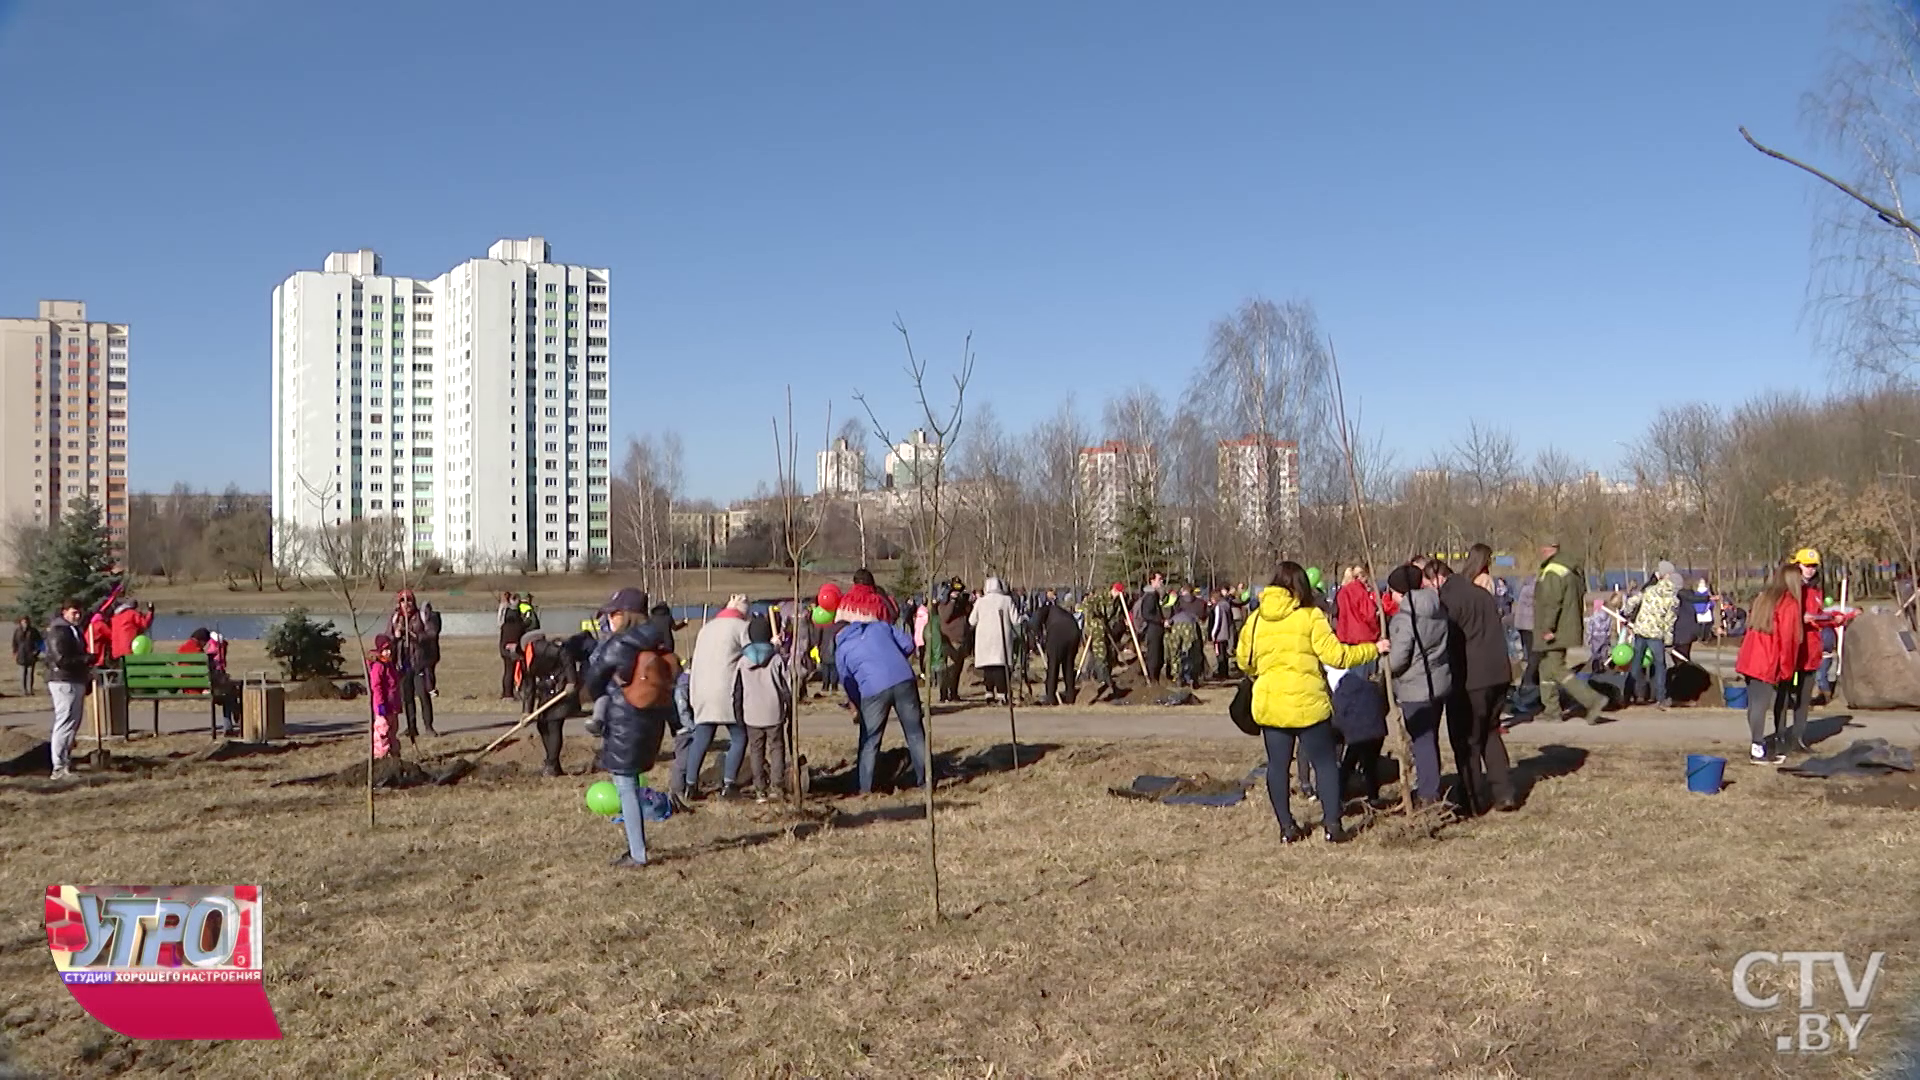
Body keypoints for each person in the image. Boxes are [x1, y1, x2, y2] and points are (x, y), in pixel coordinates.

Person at [1235, 561, 1380, 844]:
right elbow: (1336, 656)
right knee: (1325, 764)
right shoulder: (1311, 616)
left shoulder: (1255, 619)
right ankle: (1333, 826)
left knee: (1278, 766)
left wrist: (1264, 674)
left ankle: (1286, 828)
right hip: (1309, 704)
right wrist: (1373, 649)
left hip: (1271, 705)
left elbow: (1244, 660)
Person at [581, 587, 674, 869]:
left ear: (624, 616)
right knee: (630, 785)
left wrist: (599, 693)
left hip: (623, 723)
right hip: (650, 722)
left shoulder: (619, 644)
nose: (609, 620)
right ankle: (637, 848)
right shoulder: (657, 642)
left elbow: (594, 680)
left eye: (613, 614)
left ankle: (637, 853)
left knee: (626, 789)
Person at [1434, 556, 1518, 815]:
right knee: (1490, 733)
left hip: (1471, 679)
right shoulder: (1481, 594)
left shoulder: (1449, 600)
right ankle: (1504, 792)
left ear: (1437, 579)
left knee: (1467, 740)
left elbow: (1448, 643)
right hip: (1499, 673)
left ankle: (1471, 798)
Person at [836, 578, 930, 794]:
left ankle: (866, 789)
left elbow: (847, 681)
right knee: (915, 732)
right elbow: (908, 643)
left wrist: (857, 703)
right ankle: (926, 780)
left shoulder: (842, 648)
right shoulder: (880, 626)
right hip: (904, 679)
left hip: (872, 690)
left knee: (870, 740)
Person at [1386, 562, 1451, 808]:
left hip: (1415, 687)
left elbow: (1399, 659)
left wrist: (1383, 665)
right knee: (1429, 737)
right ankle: (1429, 784)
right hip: (1438, 682)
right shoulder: (1437, 608)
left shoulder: (1406, 618)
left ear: (1401, 591)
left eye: (1392, 590)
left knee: (1421, 740)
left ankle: (1428, 793)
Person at [683, 594, 753, 800]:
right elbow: (752, 656)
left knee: (702, 738)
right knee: (739, 737)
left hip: (702, 690)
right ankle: (729, 784)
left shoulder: (707, 628)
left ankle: (690, 784)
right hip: (728, 691)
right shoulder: (741, 628)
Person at [1533, 538, 1610, 724]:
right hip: (1568, 625)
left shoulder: (1553, 571)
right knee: (1545, 667)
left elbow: (1552, 602)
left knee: (1556, 668)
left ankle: (1592, 700)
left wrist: (1547, 627)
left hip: (1556, 628)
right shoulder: (1572, 568)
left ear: (1548, 549)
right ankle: (1551, 709)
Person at [1735, 566, 1805, 765]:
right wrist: (1787, 669)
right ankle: (1758, 748)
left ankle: (1757, 744)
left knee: (1754, 704)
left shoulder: (1763, 598)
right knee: (1762, 705)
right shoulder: (1789, 604)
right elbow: (1788, 640)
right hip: (1767, 659)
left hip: (1751, 656)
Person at [734, 614, 792, 803]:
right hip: (774, 712)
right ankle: (777, 786)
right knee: (776, 748)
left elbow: (737, 692)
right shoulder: (776, 660)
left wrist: (739, 715)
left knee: (756, 751)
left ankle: (760, 790)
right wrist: (789, 707)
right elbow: (786, 687)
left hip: (752, 714)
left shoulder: (742, 662)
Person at [1330, 659, 1389, 807]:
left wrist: (1337, 732)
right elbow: (1382, 707)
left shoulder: (1342, 690)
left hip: (1357, 733)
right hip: (1376, 729)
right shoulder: (1371, 686)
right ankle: (1373, 796)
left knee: (1348, 763)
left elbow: (1339, 717)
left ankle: (1339, 793)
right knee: (1370, 764)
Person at [44, 599, 91, 781]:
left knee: (73, 723)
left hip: (75, 679)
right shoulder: (59, 631)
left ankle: (65, 762)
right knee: (64, 721)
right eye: (74, 612)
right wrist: (85, 660)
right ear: (64, 612)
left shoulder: (74, 630)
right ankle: (58, 766)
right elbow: (61, 659)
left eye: (79, 612)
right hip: (62, 679)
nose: (77, 615)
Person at [1622, 562, 1679, 709]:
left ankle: (1628, 693)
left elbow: (1632, 601)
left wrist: (1627, 613)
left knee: (1636, 663)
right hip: (1656, 635)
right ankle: (1661, 697)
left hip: (1641, 630)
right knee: (1660, 665)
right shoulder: (1673, 600)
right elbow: (1669, 622)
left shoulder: (1650, 590)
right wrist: (1669, 641)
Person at [387, 590, 437, 739]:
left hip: (419, 663)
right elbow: (387, 639)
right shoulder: (395, 618)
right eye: (403, 601)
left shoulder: (421, 617)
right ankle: (411, 727)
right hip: (403, 664)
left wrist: (412, 634)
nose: (406, 604)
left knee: (423, 695)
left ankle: (428, 726)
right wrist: (395, 636)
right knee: (407, 697)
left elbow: (431, 634)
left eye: (409, 600)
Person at [969, 577, 1020, 704]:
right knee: (1000, 667)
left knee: (988, 668)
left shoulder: (980, 602)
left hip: (984, 638)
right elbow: (1016, 620)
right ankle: (1002, 694)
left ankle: (989, 693)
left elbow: (971, 620)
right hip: (1001, 636)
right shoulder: (1006, 600)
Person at [1080, 584, 1124, 702]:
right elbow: (1085, 606)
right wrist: (1093, 616)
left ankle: (1102, 679)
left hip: (1107, 631)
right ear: (1113, 590)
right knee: (1100, 656)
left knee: (1108, 657)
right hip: (1095, 631)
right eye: (1117, 592)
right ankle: (1102, 682)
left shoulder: (1118, 602)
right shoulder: (1100, 597)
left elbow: (1115, 616)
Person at [1038, 591, 1083, 705]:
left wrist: (1035, 638)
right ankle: (1070, 696)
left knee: (1053, 665)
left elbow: (1034, 624)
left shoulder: (1044, 611)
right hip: (1074, 632)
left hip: (1059, 633)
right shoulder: (1060, 612)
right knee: (1068, 665)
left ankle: (1051, 697)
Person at [936, 580, 973, 702]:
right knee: (949, 670)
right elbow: (945, 617)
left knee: (957, 670)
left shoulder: (961, 604)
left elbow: (968, 616)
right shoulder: (943, 604)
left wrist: (967, 602)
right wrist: (952, 601)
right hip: (950, 640)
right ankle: (944, 694)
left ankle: (954, 693)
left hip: (961, 640)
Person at [368, 634, 401, 760]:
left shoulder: (389, 665)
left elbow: (394, 684)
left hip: (393, 705)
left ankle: (394, 756)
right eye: (385, 650)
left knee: (392, 731)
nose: (388, 653)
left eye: (390, 650)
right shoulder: (378, 666)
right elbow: (377, 687)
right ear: (379, 650)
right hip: (383, 706)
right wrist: (380, 704)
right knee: (382, 732)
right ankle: (380, 757)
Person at [1166, 584, 1205, 687]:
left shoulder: (1178, 601)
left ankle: (1177, 676)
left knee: (1175, 652)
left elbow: (1169, 611)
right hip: (1192, 625)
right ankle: (1192, 677)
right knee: (1192, 652)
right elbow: (1203, 615)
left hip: (1176, 623)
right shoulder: (1199, 603)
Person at [1334, 565, 1382, 646]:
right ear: (1360, 577)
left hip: (1344, 637)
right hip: (1363, 638)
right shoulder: (1361, 592)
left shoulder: (1341, 592)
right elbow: (1369, 616)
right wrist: (1377, 631)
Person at [1134, 573, 1167, 683]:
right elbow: (1146, 614)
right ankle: (1152, 679)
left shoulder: (1155, 595)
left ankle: (1155, 678)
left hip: (1157, 628)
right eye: (1159, 579)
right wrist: (1161, 621)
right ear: (1152, 581)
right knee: (1154, 655)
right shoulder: (1150, 596)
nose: (1161, 582)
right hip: (1153, 629)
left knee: (1159, 655)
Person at [497, 591, 526, 699]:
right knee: (513, 671)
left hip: (504, 649)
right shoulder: (519, 625)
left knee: (507, 671)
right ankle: (510, 693)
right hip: (513, 650)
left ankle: (506, 693)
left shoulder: (504, 626)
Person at [1209, 587, 1237, 679]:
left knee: (1219, 654)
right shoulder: (1226, 605)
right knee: (1224, 654)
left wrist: (1213, 634)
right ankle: (1225, 673)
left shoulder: (1218, 607)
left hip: (1219, 634)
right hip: (1226, 633)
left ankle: (1221, 673)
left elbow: (1217, 621)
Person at [13, 615, 42, 696]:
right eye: (23, 621)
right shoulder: (17, 631)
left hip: (31, 655)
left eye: (26, 621)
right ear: (20, 622)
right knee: (22, 674)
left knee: (30, 674)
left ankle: (30, 690)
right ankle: (23, 690)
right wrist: (15, 652)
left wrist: (36, 652)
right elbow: (14, 642)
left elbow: (40, 642)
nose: (24, 623)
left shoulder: (33, 631)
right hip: (21, 655)